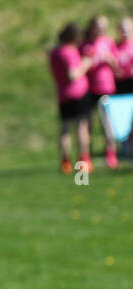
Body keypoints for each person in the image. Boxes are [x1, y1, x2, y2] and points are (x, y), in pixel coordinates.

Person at [51, 23, 92, 175]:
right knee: (81, 127)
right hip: (78, 93)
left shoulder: (55, 52)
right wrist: (86, 63)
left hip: (63, 94)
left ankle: (65, 162)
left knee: (65, 128)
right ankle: (84, 161)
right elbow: (72, 74)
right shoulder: (68, 51)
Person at [82, 16, 120, 168]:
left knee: (107, 122)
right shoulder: (85, 45)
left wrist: (110, 60)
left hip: (106, 87)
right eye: (99, 26)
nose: (101, 29)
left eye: (104, 26)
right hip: (88, 89)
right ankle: (86, 155)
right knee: (87, 123)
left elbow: (117, 66)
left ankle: (110, 153)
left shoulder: (108, 43)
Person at [116, 18, 133, 96]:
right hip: (119, 83)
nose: (125, 33)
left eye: (127, 30)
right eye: (123, 30)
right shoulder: (115, 46)